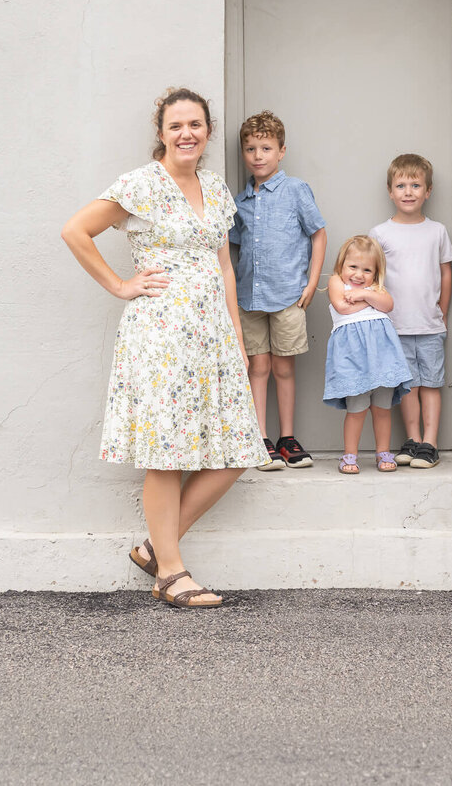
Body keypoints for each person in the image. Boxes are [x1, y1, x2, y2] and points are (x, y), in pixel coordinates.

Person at [61, 87, 266, 609]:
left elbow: (223, 267)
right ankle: (171, 574)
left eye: (195, 124)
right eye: (176, 125)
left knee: (237, 448)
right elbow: (76, 230)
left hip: (212, 335)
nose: (186, 133)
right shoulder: (141, 185)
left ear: (207, 130)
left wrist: (237, 338)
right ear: (161, 132)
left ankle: (156, 547)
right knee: (167, 452)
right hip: (161, 334)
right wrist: (119, 285)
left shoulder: (216, 189)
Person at [229, 111, 327, 471]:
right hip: (250, 298)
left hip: (288, 296)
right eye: (251, 149)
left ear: (281, 151)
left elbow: (318, 233)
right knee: (259, 367)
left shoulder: (296, 190)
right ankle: (260, 438)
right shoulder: (240, 203)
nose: (258, 156)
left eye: (266, 148)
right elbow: (232, 248)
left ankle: (288, 437)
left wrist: (312, 282)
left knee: (285, 369)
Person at [369, 154, 452, 469]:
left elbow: (446, 272)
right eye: (401, 185)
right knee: (407, 387)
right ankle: (413, 439)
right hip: (395, 327)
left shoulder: (437, 232)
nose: (408, 191)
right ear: (390, 191)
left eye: (415, 185)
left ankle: (430, 443)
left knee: (431, 384)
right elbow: (372, 276)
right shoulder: (380, 233)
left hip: (430, 325)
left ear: (428, 191)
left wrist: (442, 310)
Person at [322, 236, 412, 475]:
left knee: (382, 409)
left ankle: (383, 452)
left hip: (382, 360)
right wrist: (372, 301)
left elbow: (389, 304)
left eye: (367, 270)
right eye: (353, 267)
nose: (359, 275)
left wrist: (365, 296)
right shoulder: (335, 282)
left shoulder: (374, 290)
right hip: (354, 361)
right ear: (341, 265)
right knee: (357, 409)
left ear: (376, 272)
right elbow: (342, 307)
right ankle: (349, 455)